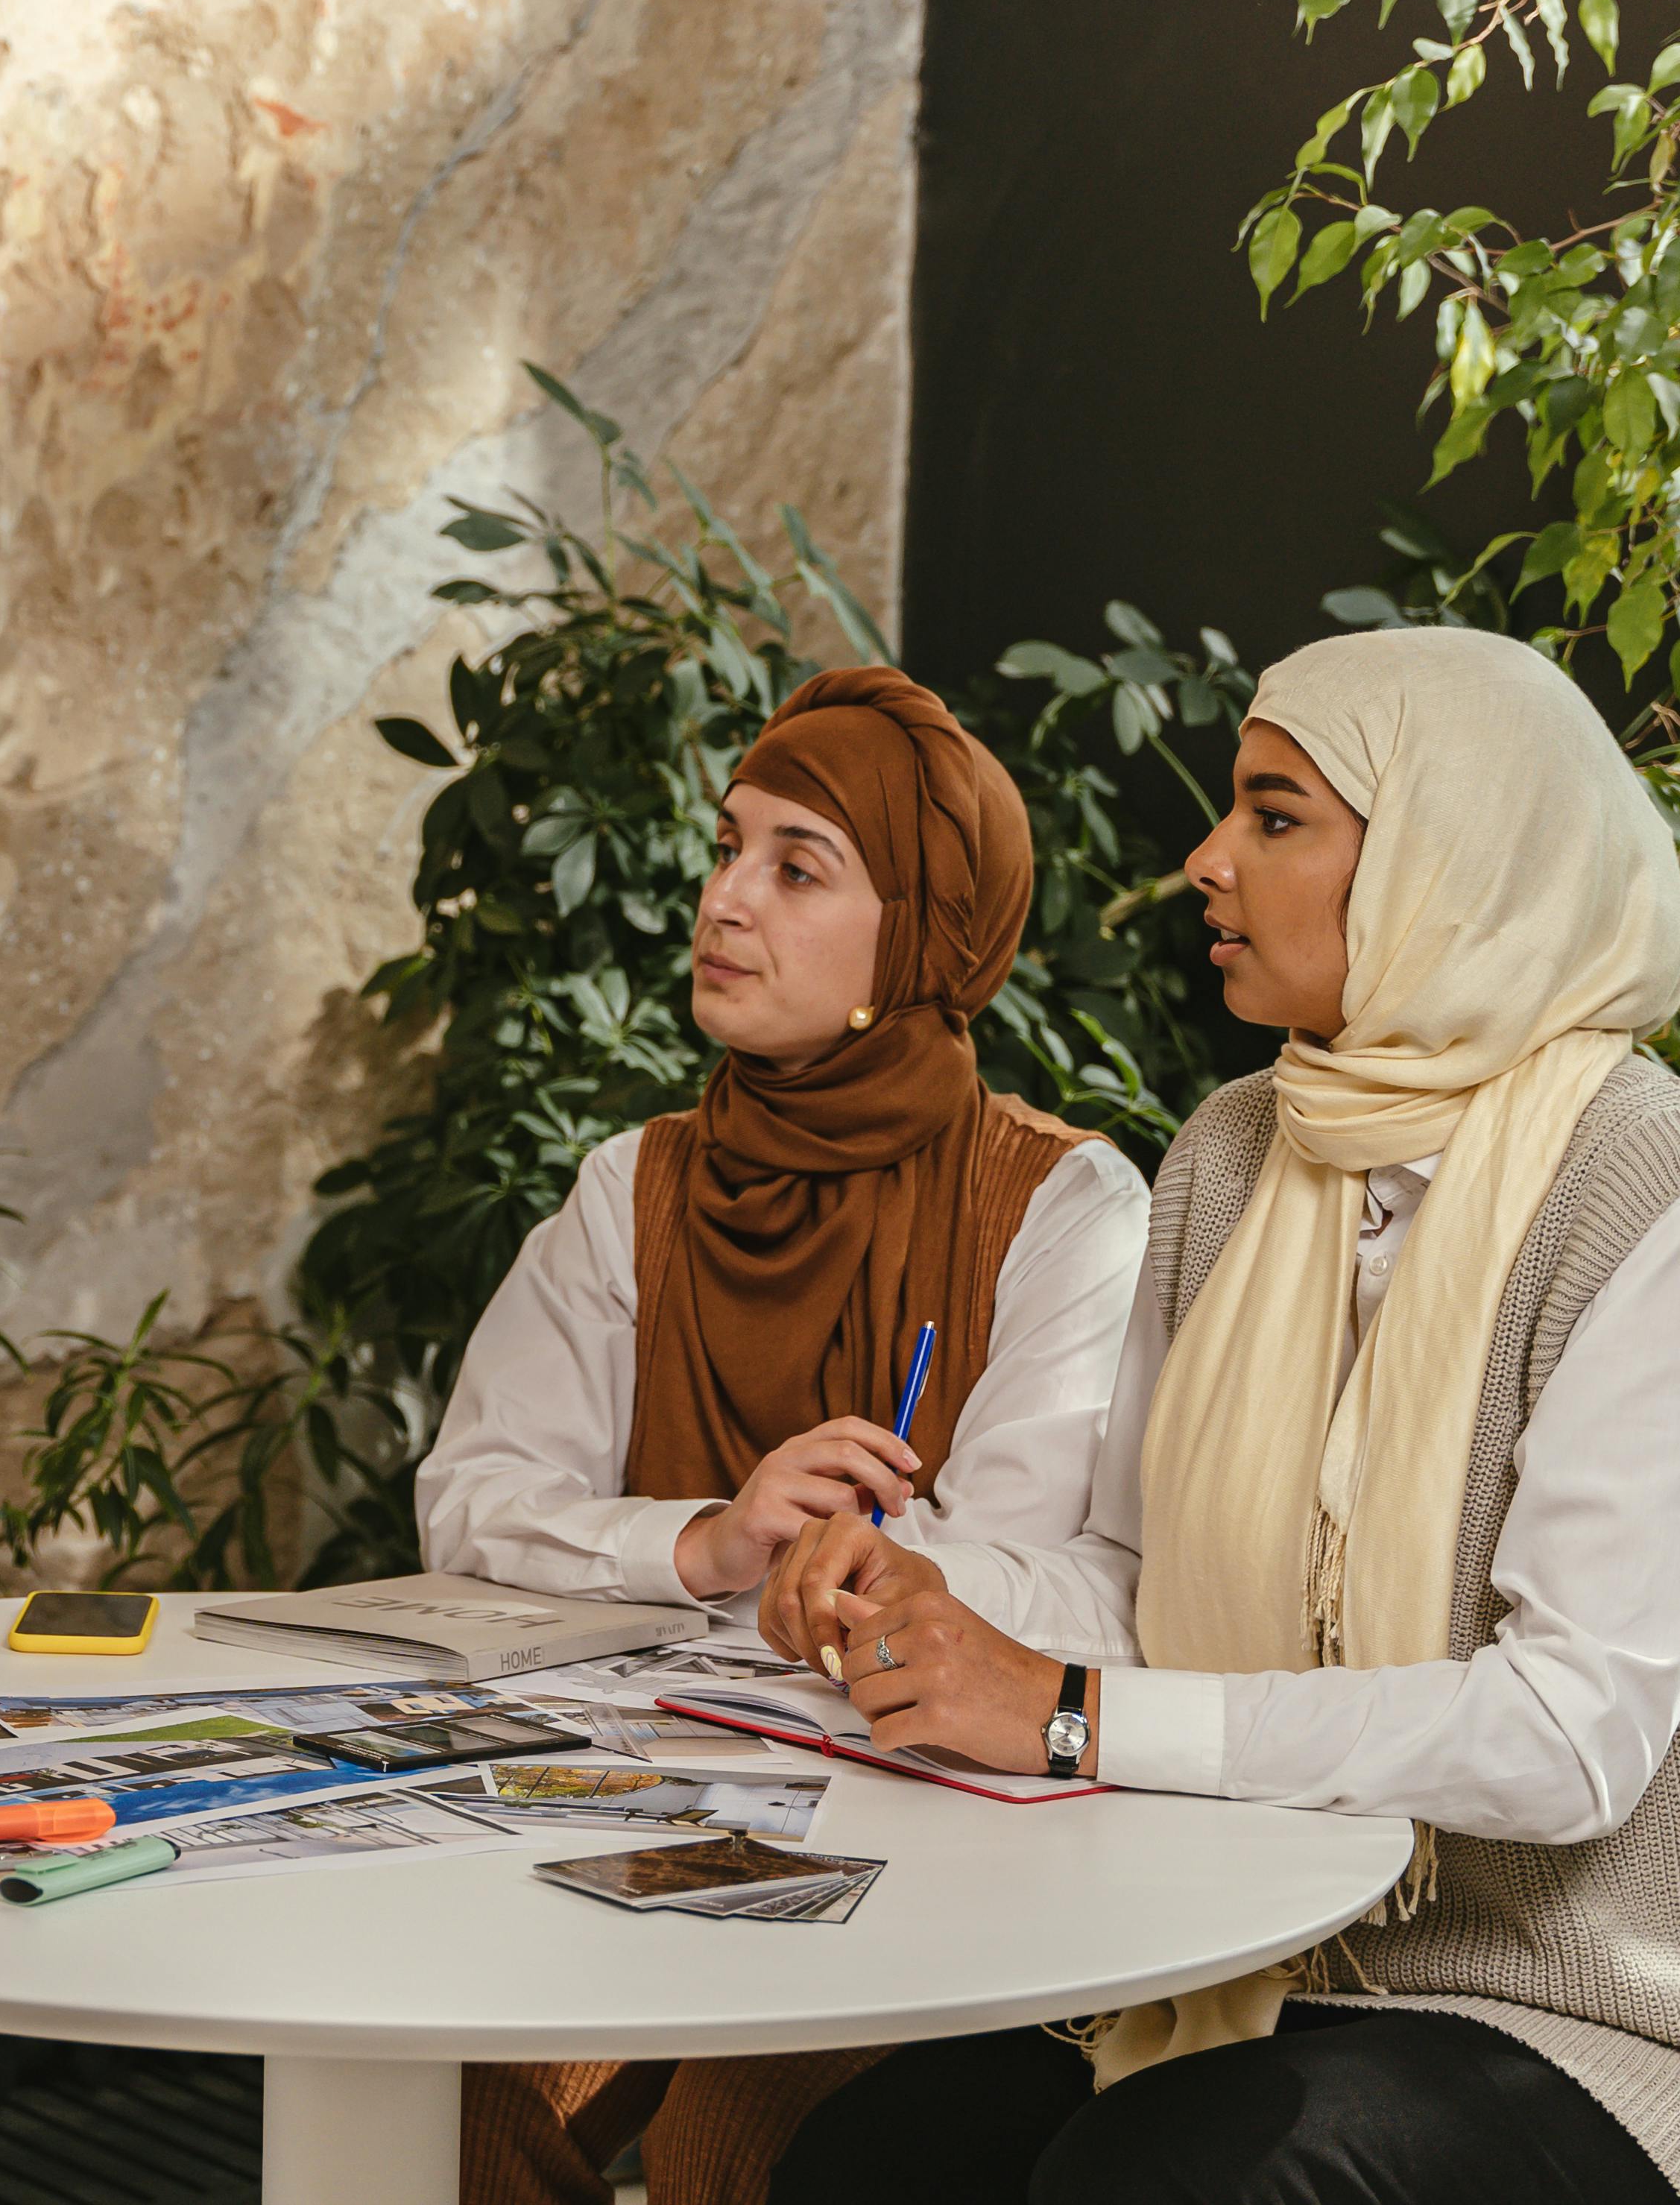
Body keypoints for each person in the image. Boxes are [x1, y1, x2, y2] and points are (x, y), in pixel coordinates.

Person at [761, 625, 1680, 2205]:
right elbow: (1131, 1576)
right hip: (1262, 1944)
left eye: (1272, 815)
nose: (1203, 860)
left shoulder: (1664, 1194)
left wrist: (1060, 1711)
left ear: (1445, 861)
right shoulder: (1234, 1151)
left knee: (1174, 2184)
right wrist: (929, 1592)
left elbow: (1566, 1732)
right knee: (868, 2163)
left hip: (1634, 2019)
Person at [419, 665, 1149, 2205]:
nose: (723, 899)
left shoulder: (1061, 1205)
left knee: (720, 2151)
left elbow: (1041, 1576)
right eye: (727, 845)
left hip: (918, 1843)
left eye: (795, 866)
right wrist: (705, 1539)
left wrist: (841, 1585)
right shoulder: (633, 1184)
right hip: (638, 1809)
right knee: (453, 2093)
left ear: (919, 936)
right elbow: (470, 1497)